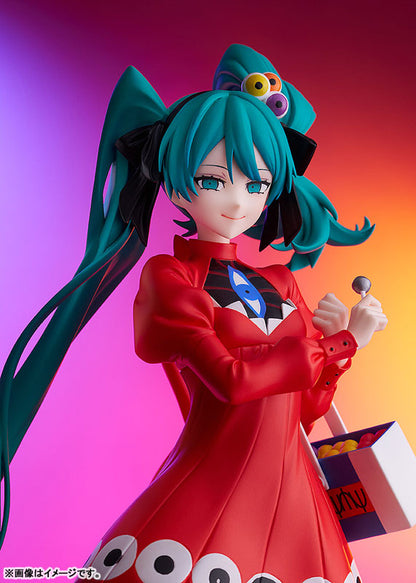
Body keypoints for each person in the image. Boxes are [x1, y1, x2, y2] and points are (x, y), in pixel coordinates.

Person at [0, 46, 387, 582]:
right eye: (213, 181)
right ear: (176, 181)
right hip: (206, 496)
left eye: (256, 185)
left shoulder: (280, 281)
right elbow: (233, 381)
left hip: (298, 503)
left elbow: (302, 411)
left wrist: (340, 354)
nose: (237, 203)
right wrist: (339, 345)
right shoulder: (172, 277)